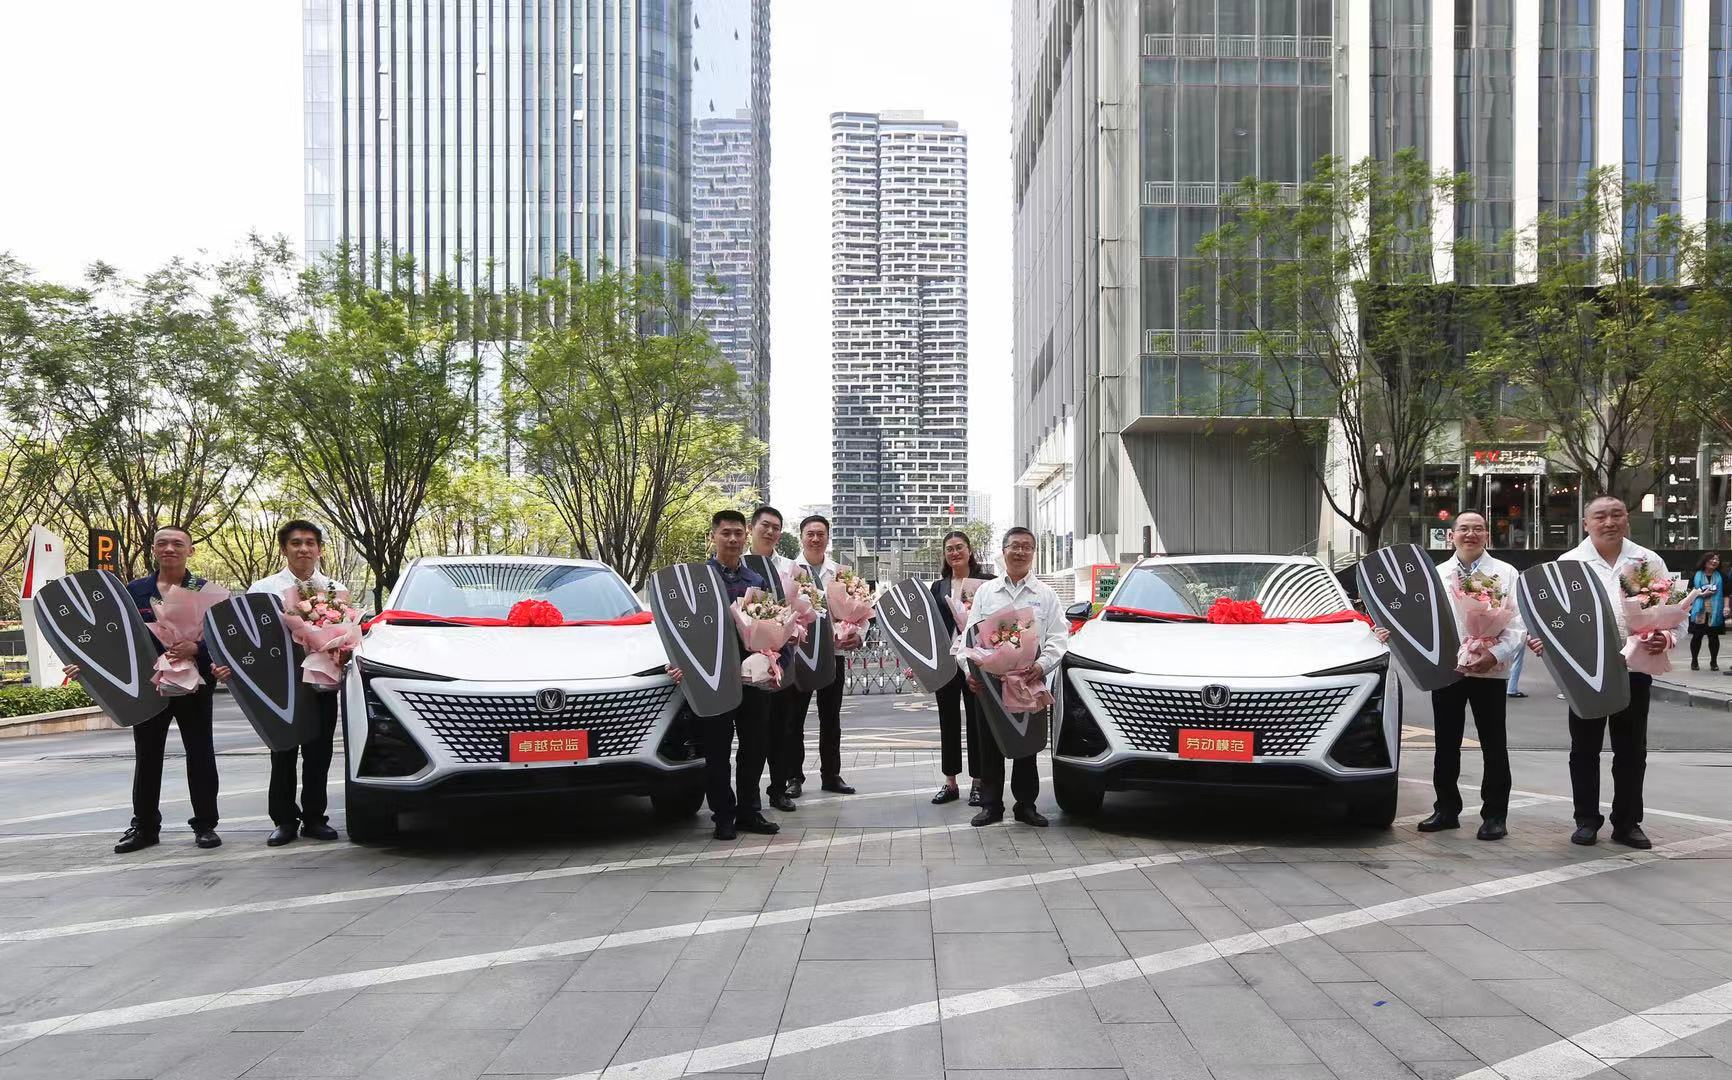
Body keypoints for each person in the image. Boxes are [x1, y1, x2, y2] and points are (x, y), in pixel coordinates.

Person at [62, 527, 222, 854]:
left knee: (200, 753)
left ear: (190, 550)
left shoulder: (204, 590)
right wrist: (86, 665)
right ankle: (145, 827)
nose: (169, 548)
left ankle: (205, 825)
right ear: (154, 549)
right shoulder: (134, 591)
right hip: (148, 686)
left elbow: (221, 639)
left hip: (194, 684)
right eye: (162, 543)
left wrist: (197, 649)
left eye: (177, 543)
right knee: (147, 756)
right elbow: (112, 636)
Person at [1372, 512, 1524, 841]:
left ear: (1487, 535)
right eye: (1464, 529)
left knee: (1493, 744)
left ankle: (1495, 815)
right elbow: (1415, 618)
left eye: (1478, 529)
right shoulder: (1436, 575)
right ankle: (1446, 809)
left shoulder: (1506, 573)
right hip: (1447, 668)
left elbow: (1517, 625)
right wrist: (1390, 632)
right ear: (1451, 536)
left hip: (1489, 670)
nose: (1471, 534)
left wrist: (1494, 654)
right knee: (1446, 742)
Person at [1530, 495, 1669, 850]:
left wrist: (1665, 637)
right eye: (1600, 516)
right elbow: (1550, 618)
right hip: (1582, 671)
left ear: (1627, 519)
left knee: (1632, 750)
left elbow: (1671, 613)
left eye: (1616, 515)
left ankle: (1627, 822)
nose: (1609, 522)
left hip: (1633, 667)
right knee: (1584, 749)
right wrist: (1542, 640)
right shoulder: (1568, 564)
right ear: (1586, 523)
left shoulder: (1648, 561)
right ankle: (1586, 820)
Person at [213, 520, 345, 847]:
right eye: (296, 543)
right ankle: (284, 820)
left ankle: (315, 818)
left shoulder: (334, 589)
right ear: (285, 549)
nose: (304, 549)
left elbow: (344, 634)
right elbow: (246, 638)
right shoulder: (264, 589)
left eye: (310, 543)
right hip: (277, 682)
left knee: (319, 753)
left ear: (319, 549)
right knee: (282, 751)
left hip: (321, 682)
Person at [666, 510, 781, 841]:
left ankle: (749, 811)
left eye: (737, 533)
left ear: (746, 536)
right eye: (725, 533)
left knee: (755, 746)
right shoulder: (697, 581)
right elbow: (679, 627)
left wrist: (773, 660)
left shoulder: (756, 582)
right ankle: (723, 815)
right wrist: (676, 663)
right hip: (711, 676)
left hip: (752, 676)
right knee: (716, 749)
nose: (732, 539)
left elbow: (770, 625)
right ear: (713, 537)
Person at [962, 527, 1066, 827]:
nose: (1020, 552)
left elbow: (1059, 637)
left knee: (1027, 745)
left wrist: (1041, 665)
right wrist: (970, 671)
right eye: (1015, 546)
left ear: (1033, 553)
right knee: (990, 743)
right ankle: (991, 805)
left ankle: (1026, 805)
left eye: (1026, 547)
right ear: (1004, 550)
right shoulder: (986, 592)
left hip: (1029, 681)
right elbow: (969, 636)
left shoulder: (1045, 594)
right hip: (991, 683)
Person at [783, 515, 859, 797]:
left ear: (828, 537)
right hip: (798, 656)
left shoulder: (840, 573)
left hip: (832, 654)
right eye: (810, 533)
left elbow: (858, 611)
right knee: (794, 719)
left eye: (820, 534)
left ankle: (831, 775)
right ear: (801, 536)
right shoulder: (788, 571)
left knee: (831, 718)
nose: (815, 539)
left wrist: (857, 634)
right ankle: (793, 776)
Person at [747, 505, 800, 813]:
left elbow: (805, 609)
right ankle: (749, 797)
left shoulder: (791, 569)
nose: (770, 531)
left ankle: (778, 790)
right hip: (747, 665)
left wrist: (794, 630)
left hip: (782, 661)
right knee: (753, 734)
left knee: (782, 730)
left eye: (776, 527)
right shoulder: (738, 565)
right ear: (752, 528)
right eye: (764, 526)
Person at [930, 530, 986, 805]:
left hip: (976, 662)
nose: (955, 553)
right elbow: (931, 626)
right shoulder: (938, 587)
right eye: (949, 548)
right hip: (946, 664)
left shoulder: (985, 583)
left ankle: (978, 781)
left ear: (969, 551)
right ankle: (950, 782)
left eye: (959, 547)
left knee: (977, 722)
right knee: (948, 721)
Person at [1688, 551, 1727, 672]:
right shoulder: (1695, 575)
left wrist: (1726, 607)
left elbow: (1726, 593)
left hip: (1715, 611)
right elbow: (1689, 592)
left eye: (1717, 560)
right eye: (1712, 559)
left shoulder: (1722, 576)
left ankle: (1713, 662)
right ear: (1705, 561)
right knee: (1697, 636)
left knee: (1714, 637)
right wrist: (1701, 594)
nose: (1714, 561)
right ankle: (1694, 661)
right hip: (1698, 611)